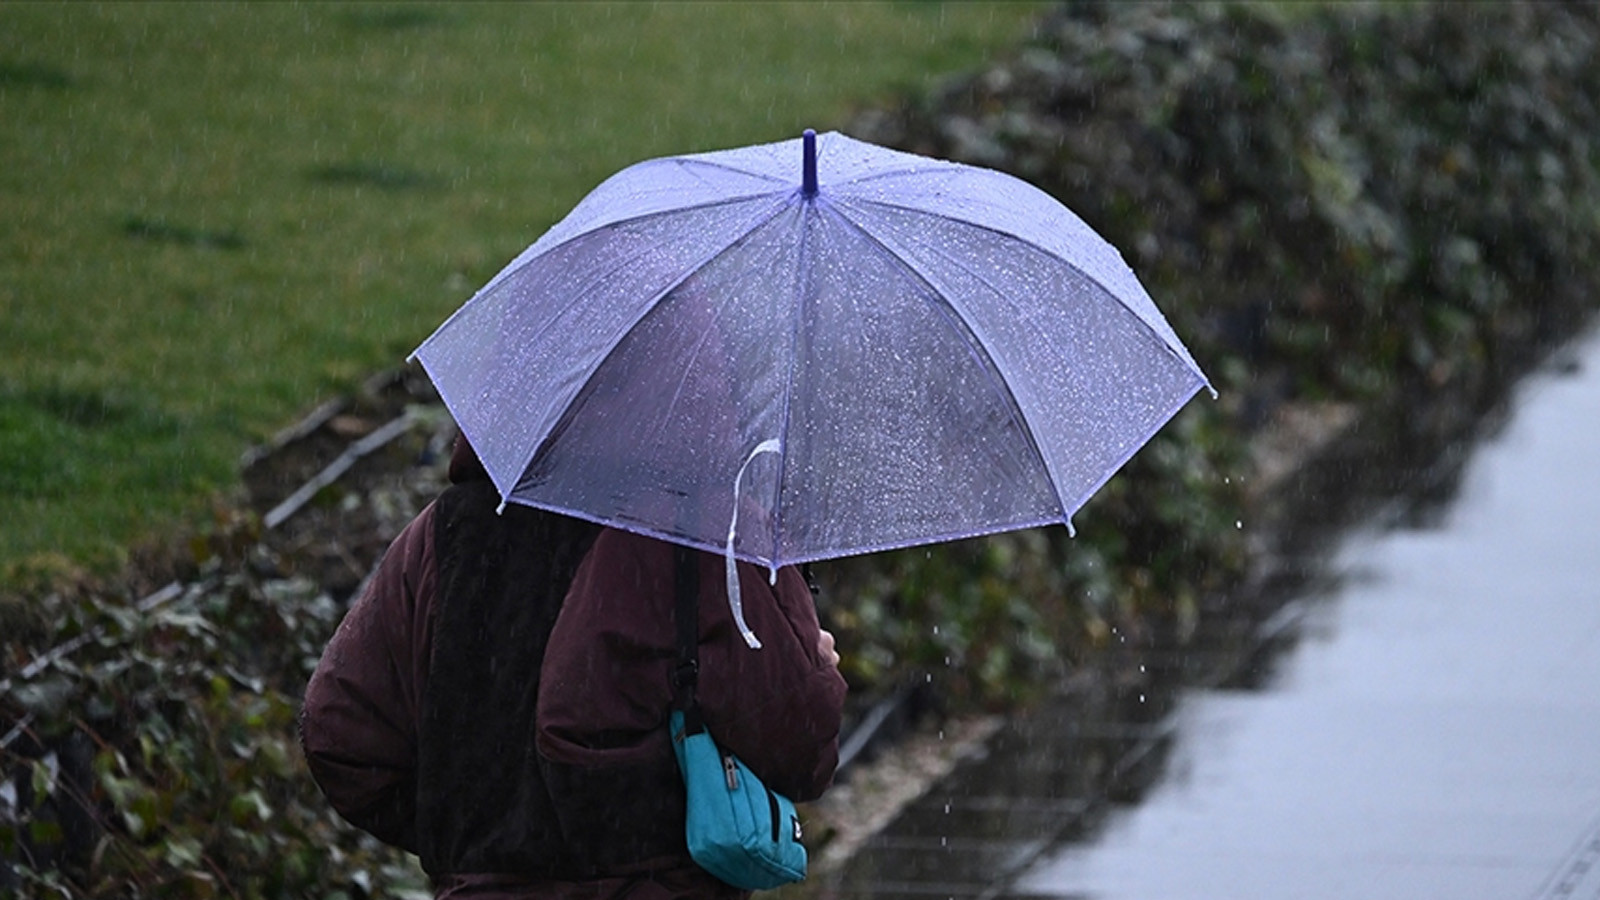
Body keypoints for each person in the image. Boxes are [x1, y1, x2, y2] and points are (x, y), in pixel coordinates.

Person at [300, 436, 848, 899]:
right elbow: (799, 746)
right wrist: (813, 666)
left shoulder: (449, 532)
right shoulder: (701, 531)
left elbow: (342, 733)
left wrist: (476, 842)